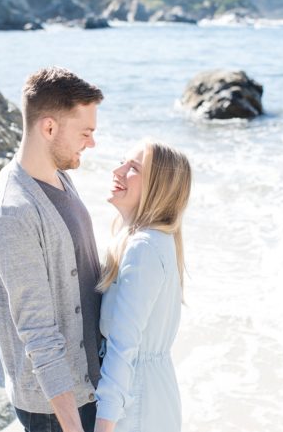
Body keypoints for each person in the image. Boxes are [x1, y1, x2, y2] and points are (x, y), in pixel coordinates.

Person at [0, 67, 104, 432]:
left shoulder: (60, 176)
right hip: (57, 410)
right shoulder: (12, 212)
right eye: (86, 133)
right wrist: (71, 425)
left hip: (89, 387)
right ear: (49, 128)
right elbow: (38, 333)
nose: (92, 144)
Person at [94, 141, 192, 432]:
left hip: (136, 404)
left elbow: (123, 348)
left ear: (157, 188)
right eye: (122, 161)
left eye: (133, 168)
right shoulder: (154, 242)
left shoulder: (143, 248)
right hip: (149, 393)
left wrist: (103, 425)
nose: (118, 170)